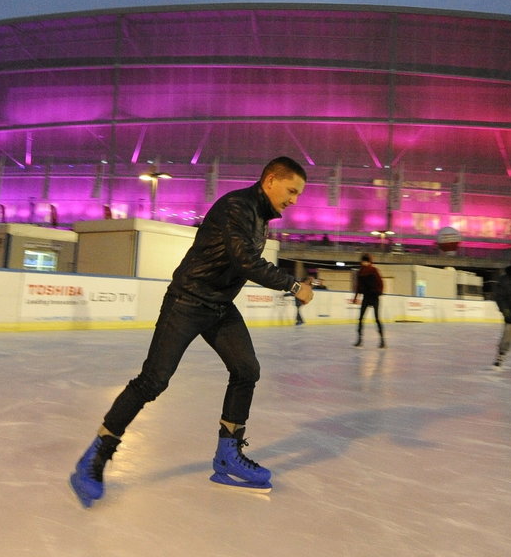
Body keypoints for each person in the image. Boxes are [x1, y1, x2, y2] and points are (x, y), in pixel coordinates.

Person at [70, 157, 314, 507]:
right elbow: (245, 261)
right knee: (153, 380)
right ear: (271, 180)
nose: (294, 200)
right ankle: (94, 457)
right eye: (292, 191)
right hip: (187, 300)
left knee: (247, 370)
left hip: (218, 306)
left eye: (299, 194)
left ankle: (228, 455)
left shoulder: (260, 217)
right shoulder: (237, 206)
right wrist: (293, 286)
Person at [352, 253, 385, 348]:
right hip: (366, 296)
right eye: (363, 261)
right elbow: (358, 286)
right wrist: (356, 297)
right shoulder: (360, 272)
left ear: (369, 262)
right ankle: (359, 339)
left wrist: (379, 292)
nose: (364, 263)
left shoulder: (374, 270)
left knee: (377, 318)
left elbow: (380, 283)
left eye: (366, 261)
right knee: (361, 318)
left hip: (374, 297)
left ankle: (382, 340)